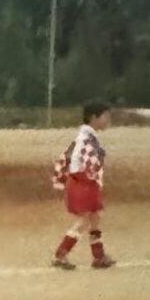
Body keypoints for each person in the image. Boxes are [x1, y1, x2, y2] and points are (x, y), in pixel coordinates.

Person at [50, 101, 116, 270]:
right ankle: (61, 253)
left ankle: (98, 256)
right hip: (83, 182)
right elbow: (90, 164)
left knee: (94, 217)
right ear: (94, 118)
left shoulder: (86, 136)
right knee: (85, 219)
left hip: (84, 182)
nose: (108, 120)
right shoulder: (87, 138)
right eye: (105, 116)